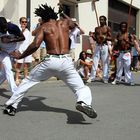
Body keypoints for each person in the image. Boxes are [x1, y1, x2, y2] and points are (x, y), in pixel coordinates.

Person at [3, 3, 97, 119]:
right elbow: (74, 24)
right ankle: (83, 102)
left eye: (41, 18)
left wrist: (21, 56)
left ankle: (11, 106)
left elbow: (35, 44)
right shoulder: (65, 23)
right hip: (66, 61)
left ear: (44, 17)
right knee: (81, 88)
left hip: (51, 61)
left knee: (27, 82)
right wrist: (63, 13)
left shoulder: (44, 27)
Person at [0, 17, 25, 93]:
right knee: (9, 70)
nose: (4, 30)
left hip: (12, 51)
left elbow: (23, 38)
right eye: (2, 29)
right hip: (3, 51)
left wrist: (10, 40)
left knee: (4, 74)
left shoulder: (13, 27)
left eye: (5, 28)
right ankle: (15, 91)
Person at [89, 15, 112, 83]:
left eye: (102, 19)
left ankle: (105, 77)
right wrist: (92, 36)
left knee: (105, 62)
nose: (101, 21)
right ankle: (92, 77)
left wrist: (104, 37)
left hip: (104, 46)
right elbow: (96, 38)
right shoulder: (97, 28)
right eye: (100, 19)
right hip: (97, 46)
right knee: (95, 61)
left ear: (105, 20)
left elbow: (111, 38)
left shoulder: (107, 28)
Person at [15, 17, 32, 85]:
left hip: (27, 51)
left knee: (26, 66)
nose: (24, 23)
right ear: (20, 22)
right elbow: (17, 40)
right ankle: (17, 78)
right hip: (20, 51)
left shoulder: (28, 32)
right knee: (18, 65)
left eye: (25, 22)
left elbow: (30, 42)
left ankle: (25, 79)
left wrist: (31, 51)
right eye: (23, 22)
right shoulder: (18, 31)